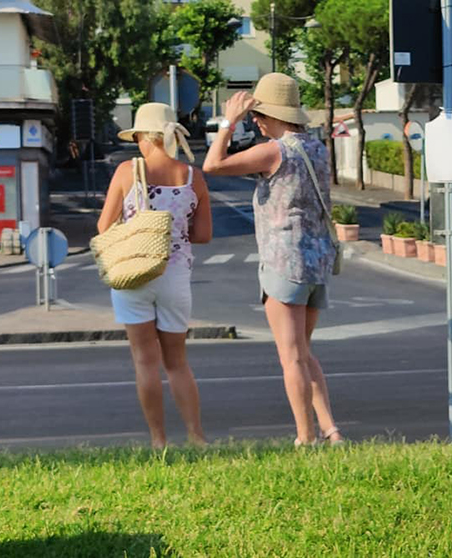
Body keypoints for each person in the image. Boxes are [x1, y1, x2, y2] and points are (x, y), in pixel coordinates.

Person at [202, 73, 344, 447]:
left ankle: (304, 436)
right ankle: (331, 430)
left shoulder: (274, 151)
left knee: (291, 357)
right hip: (316, 262)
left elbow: (213, 165)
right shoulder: (316, 148)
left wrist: (227, 123)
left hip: (284, 262)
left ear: (275, 115)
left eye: (259, 114)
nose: (256, 121)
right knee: (304, 352)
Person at [97, 103, 212, 449]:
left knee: (145, 361)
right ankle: (196, 436)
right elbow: (204, 234)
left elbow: (104, 226)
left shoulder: (126, 172)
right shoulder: (192, 176)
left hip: (133, 273)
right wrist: (171, 231)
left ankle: (158, 441)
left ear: (144, 136)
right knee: (177, 362)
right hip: (175, 275)